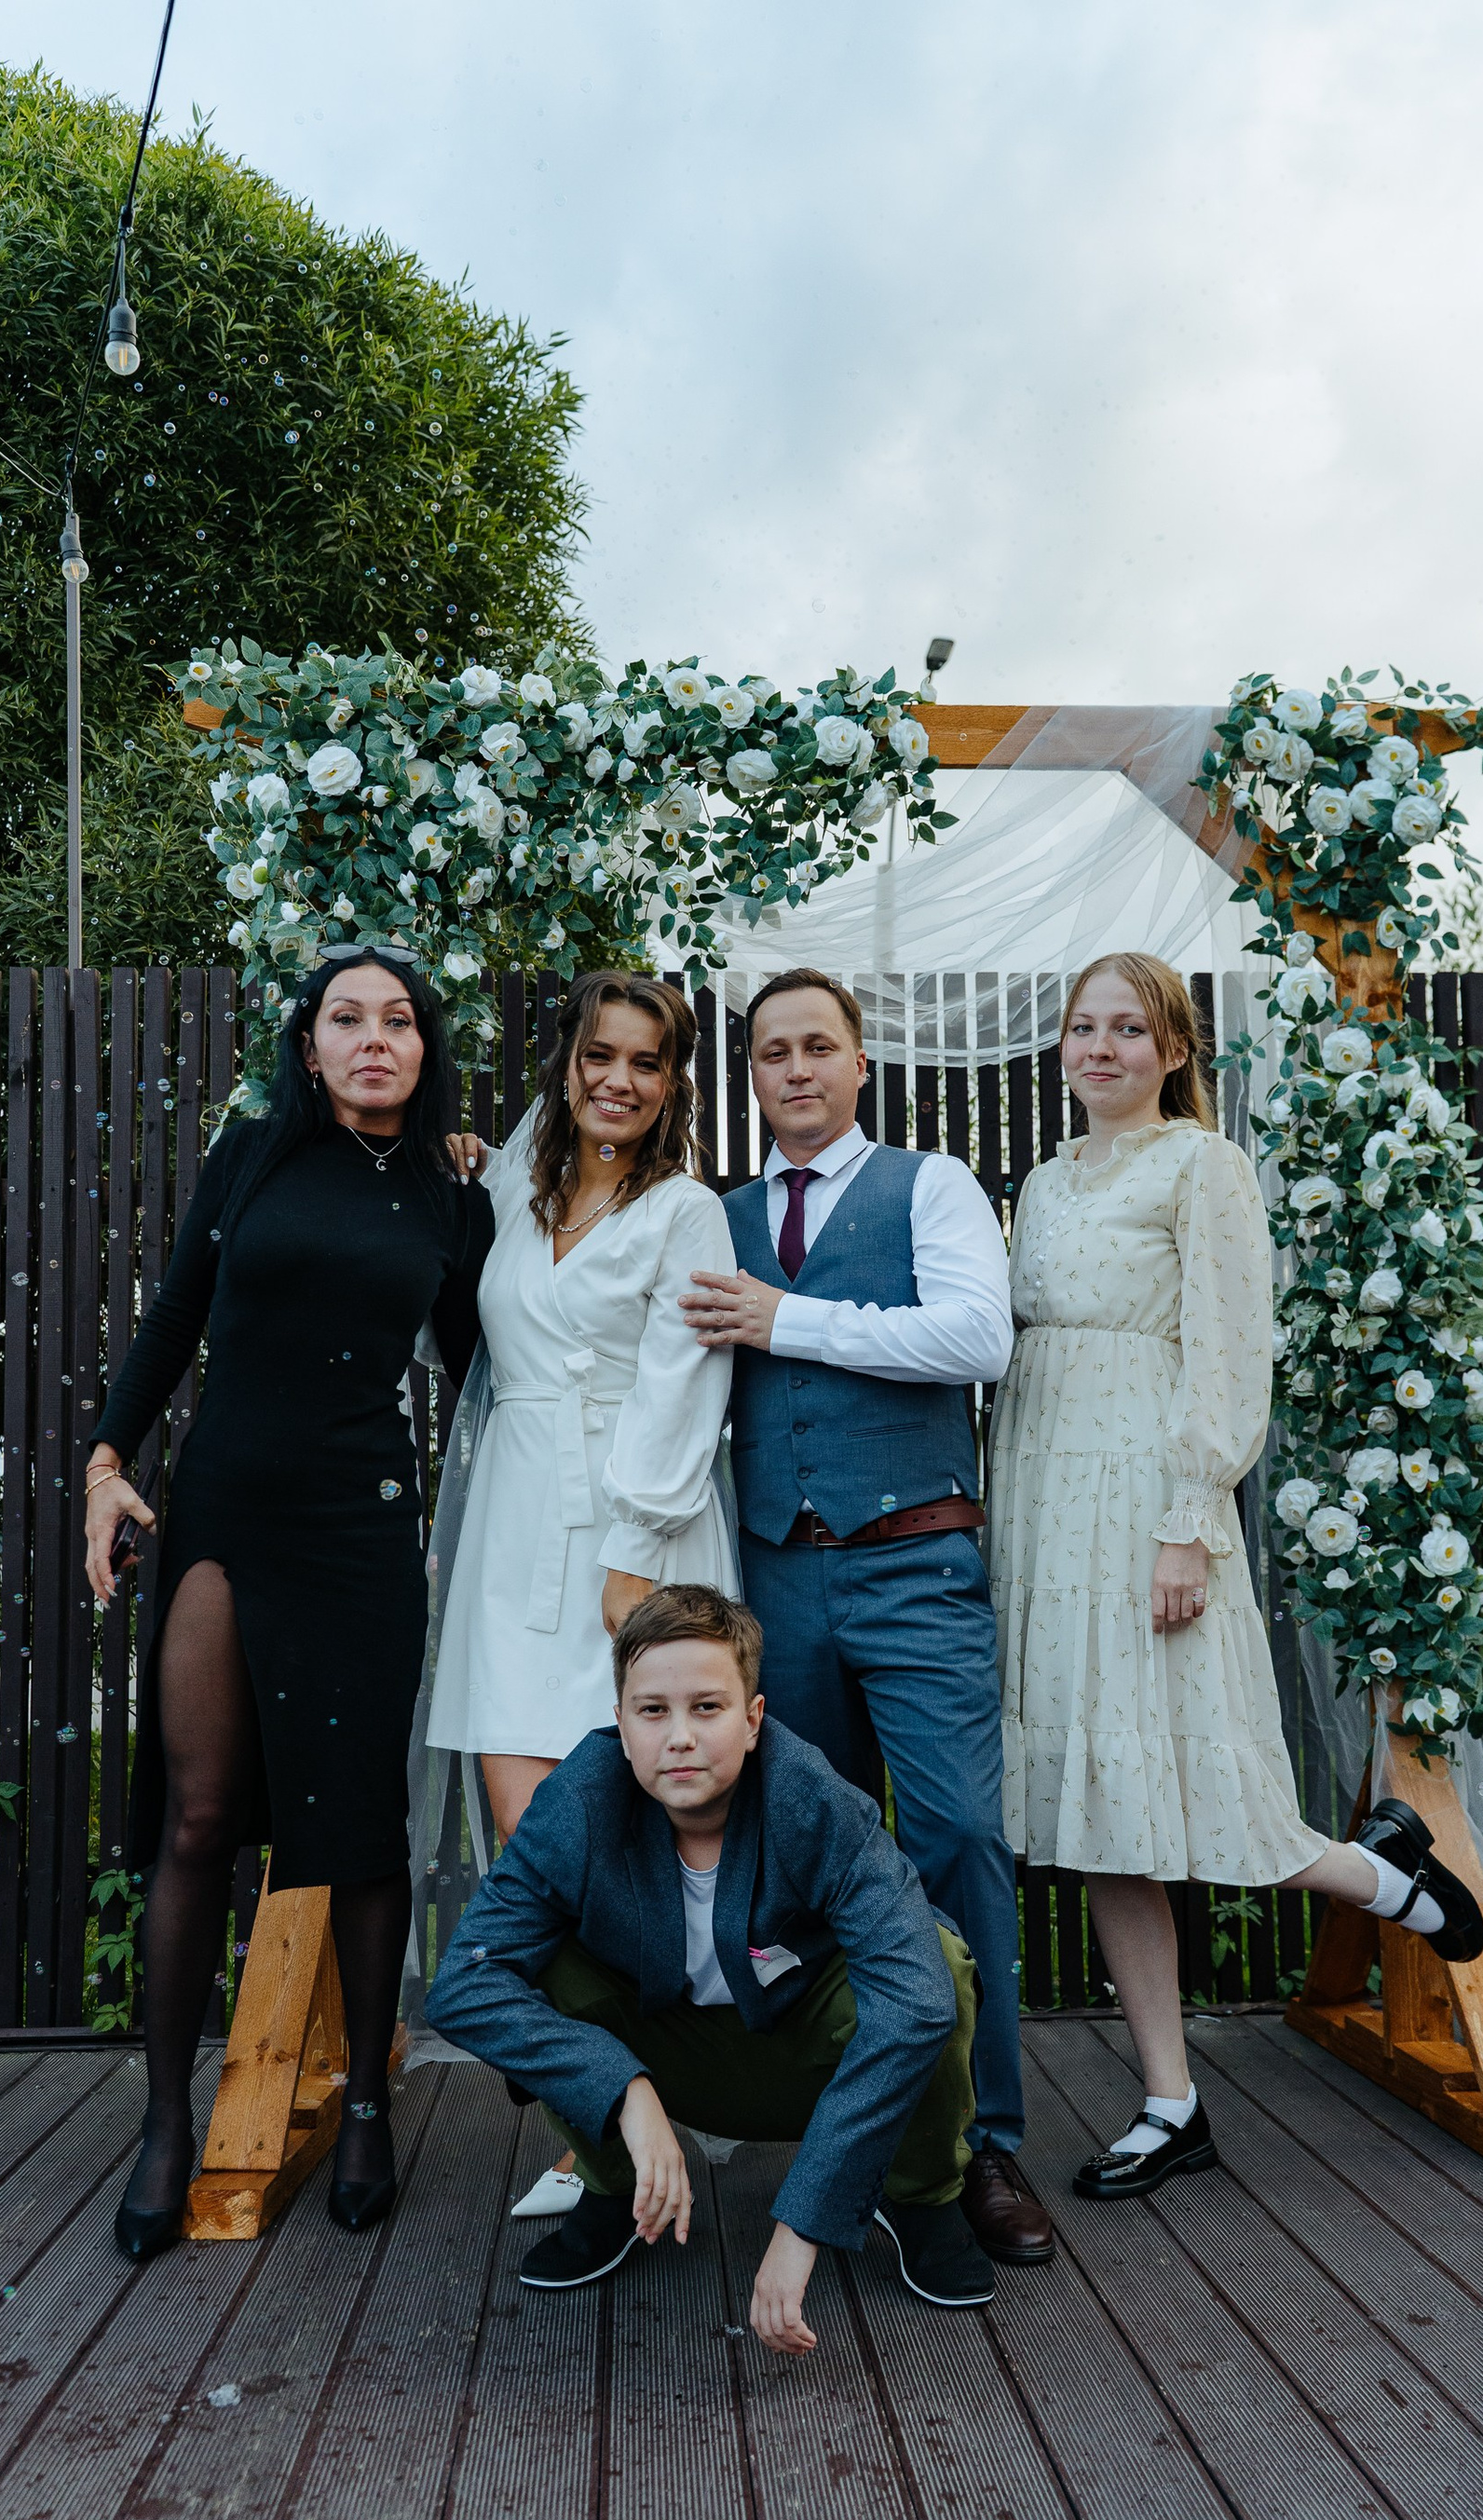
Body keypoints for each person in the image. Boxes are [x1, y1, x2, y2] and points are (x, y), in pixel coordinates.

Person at [985, 950, 1483, 2198]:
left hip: (1143, 1505)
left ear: (1173, 1049)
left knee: (1212, 1792)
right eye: (1083, 1028)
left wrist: (1187, 1520)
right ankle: (1173, 2104)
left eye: (1127, 1029)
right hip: (1044, 1504)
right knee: (1101, 1817)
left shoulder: (1201, 1166)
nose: (1100, 1049)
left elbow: (1225, 1353)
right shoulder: (1042, 1181)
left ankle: (1386, 1876)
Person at [84, 947, 493, 2260]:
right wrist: (105, 1465)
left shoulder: (452, 1194)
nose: (374, 1039)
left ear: (425, 1048)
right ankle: (166, 2121)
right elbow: (174, 1317)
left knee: (358, 1826)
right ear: (308, 1044)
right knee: (201, 1816)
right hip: (224, 1510)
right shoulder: (251, 1154)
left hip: (361, 1529)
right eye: (345, 1019)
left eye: (398, 1021)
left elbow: (494, 1369)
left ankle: (365, 2102)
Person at [678, 967, 1054, 2268]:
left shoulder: (929, 1187)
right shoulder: (716, 1215)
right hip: (777, 1579)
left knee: (957, 1838)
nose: (795, 1069)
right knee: (807, 1858)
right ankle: (853, 2126)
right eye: (771, 1052)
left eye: (817, 1047)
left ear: (858, 1064)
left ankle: (982, 2139)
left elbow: (976, 1340)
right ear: (752, 1076)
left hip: (914, 1563)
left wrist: (789, 1319)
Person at [424, 1584, 995, 2346]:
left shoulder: (815, 1801)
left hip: (812, 2060)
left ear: (753, 1720)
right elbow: (463, 1982)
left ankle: (920, 2196)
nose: (680, 1737)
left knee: (940, 1968)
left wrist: (804, 2225)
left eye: (707, 1708)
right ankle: (616, 2184)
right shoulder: (579, 1803)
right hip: (661, 2056)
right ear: (621, 1723)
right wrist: (625, 2093)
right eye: (652, 1711)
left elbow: (917, 2002)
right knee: (541, 1963)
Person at [427, 971, 737, 2220]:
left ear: (672, 1083)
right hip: (513, 1523)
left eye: (645, 1061)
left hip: (632, 1524)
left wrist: (636, 1550)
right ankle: (600, 2101)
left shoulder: (686, 1212)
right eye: (599, 1054)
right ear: (565, 1066)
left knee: (646, 1833)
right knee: (528, 1836)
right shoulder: (513, 1188)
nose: (618, 1079)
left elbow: (686, 1383)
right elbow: (460, 1314)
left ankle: (657, 2110)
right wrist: (457, 1164)